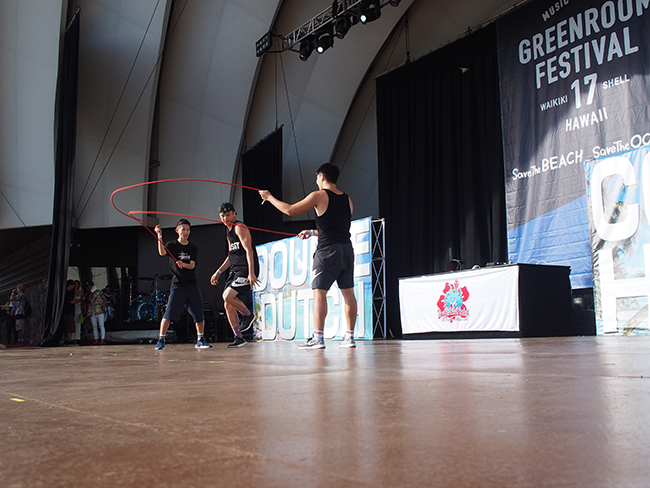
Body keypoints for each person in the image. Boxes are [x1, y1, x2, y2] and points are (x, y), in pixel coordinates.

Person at [259, 162, 358, 349]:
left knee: (319, 292)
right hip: (346, 250)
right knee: (348, 293)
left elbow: (289, 210)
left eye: (316, 177)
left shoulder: (319, 195)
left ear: (322, 177)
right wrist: (312, 232)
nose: (316, 181)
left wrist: (269, 197)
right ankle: (350, 337)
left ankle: (318, 338)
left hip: (327, 252)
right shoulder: (348, 199)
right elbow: (335, 228)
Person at [154, 219, 211, 350]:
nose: (186, 232)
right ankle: (161, 340)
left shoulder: (193, 248)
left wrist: (183, 264)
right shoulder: (172, 245)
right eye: (183, 229)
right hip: (177, 285)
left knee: (199, 313)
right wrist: (159, 235)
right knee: (169, 313)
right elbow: (162, 252)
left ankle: (200, 339)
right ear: (177, 230)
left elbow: (192, 265)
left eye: (188, 229)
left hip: (192, 284)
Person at [210, 202, 260, 348]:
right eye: (222, 216)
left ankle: (248, 315)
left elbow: (249, 250)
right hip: (235, 270)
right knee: (228, 304)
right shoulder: (228, 232)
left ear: (234, 213)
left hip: (245, 269)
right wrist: (219, 271)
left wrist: (251, 273)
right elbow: (231, 256)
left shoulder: (239, 227)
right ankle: (239, 337)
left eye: (228, 215)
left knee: (227, 296)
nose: (225, 218)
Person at [85, 281, 107, 345]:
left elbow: (104, 299)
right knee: (94, 326)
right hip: (92, 311)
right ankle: (96, 339)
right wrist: (90, 292)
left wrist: (104, 306)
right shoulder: (89, 293)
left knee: (101, 325)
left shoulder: (99, 291)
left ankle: (102, 339)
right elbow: (89, 300)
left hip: (99, 310)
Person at [62, 280, 76, 345]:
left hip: (69, 311)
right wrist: (80, 300)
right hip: (68, 311)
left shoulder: (70, 292)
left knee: (67, 325)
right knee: (69, 326)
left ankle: (66, 339)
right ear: (70, 285)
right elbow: (71, 301)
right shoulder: (67, 293)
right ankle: (69, 339)